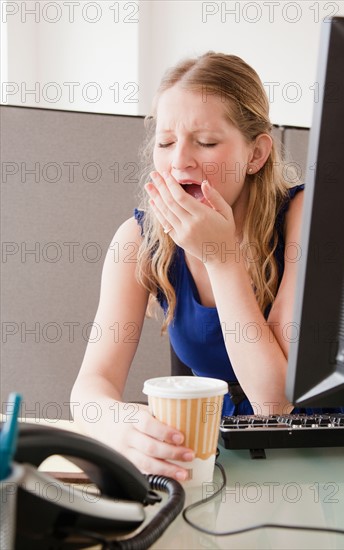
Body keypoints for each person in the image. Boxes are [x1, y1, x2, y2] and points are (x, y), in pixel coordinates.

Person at [71, 52, 305, 482]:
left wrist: (221, 257)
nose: (180, 162)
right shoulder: (139, 239)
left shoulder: (301, 217)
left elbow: (274, 403)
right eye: (165, 142)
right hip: (212, 457)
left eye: (207, 142)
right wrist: (119, 426)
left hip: (317, 451)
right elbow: (90, 388)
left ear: (255, 154)